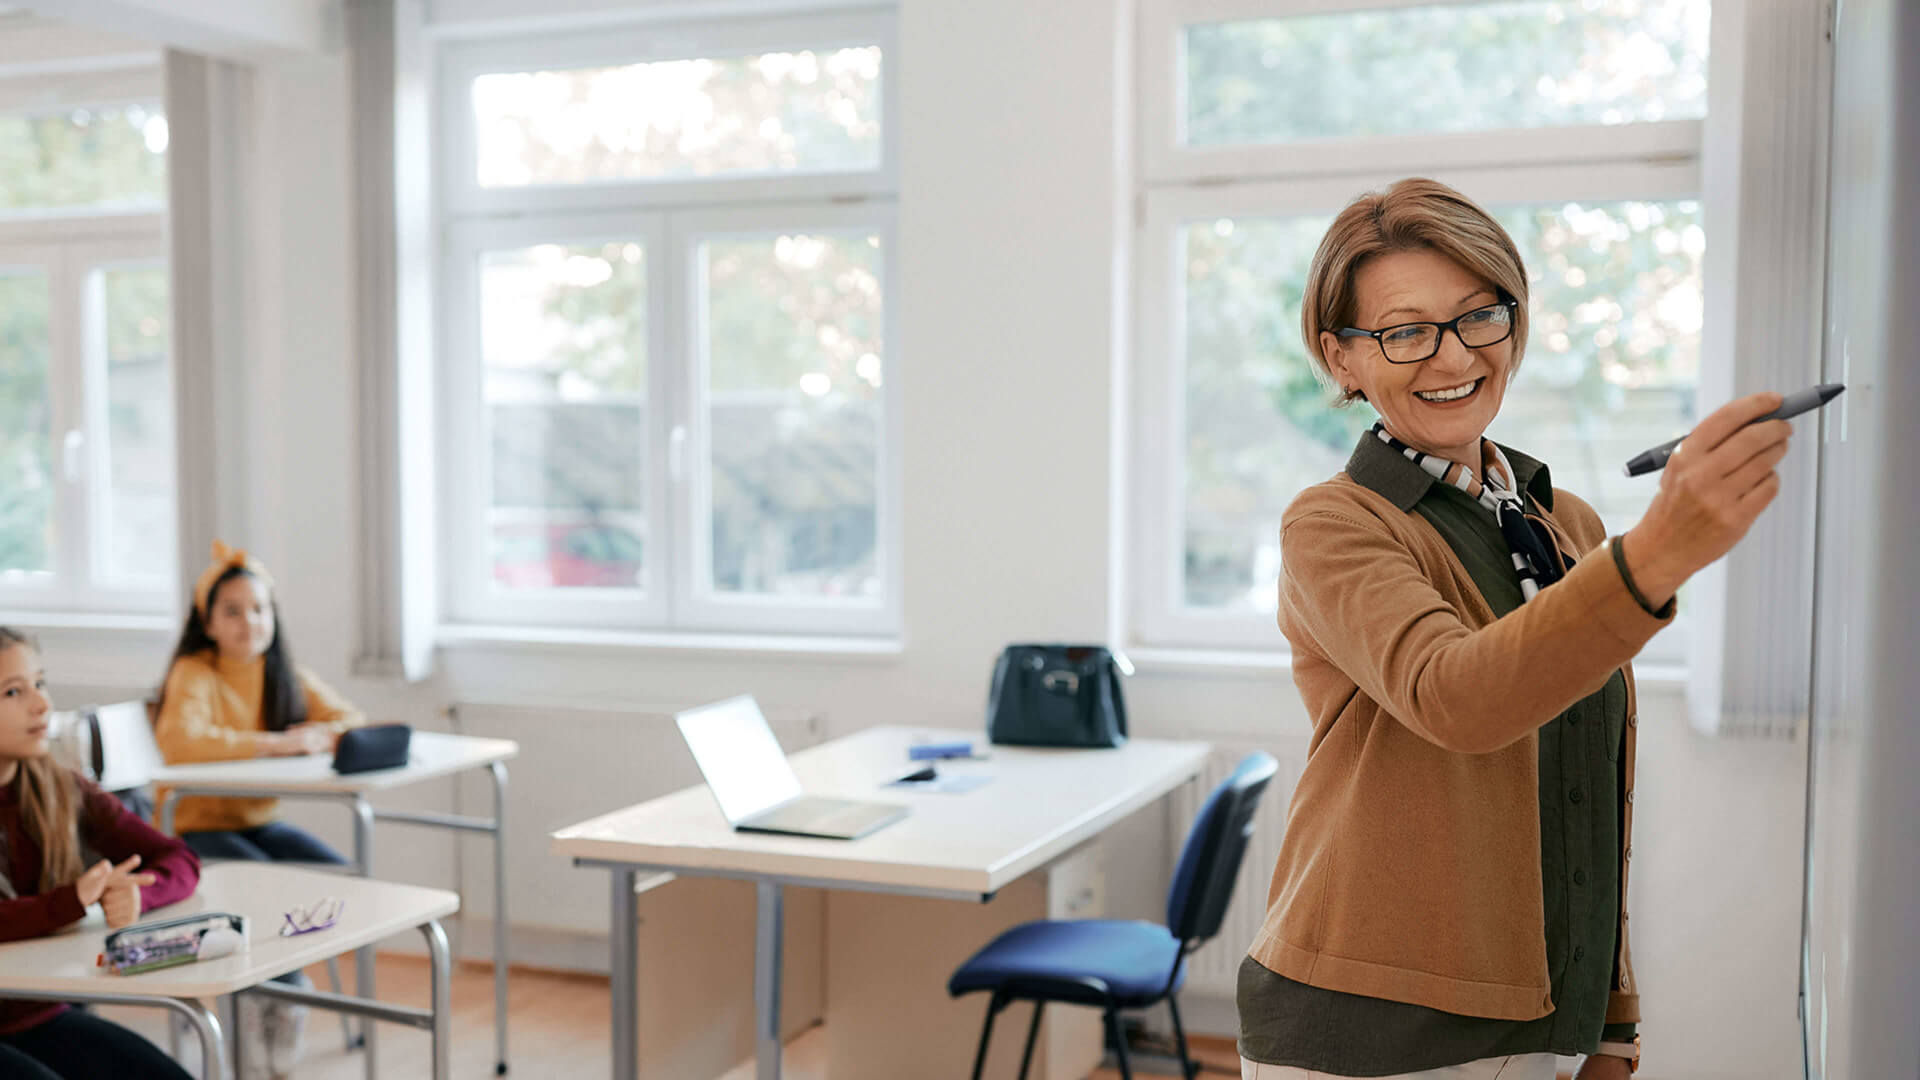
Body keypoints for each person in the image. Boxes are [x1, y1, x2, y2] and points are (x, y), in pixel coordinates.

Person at [1238, 178, 1792, 1080]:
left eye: (1478, 317)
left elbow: (1588, 777)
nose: (1452, 355)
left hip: (1541, 1027)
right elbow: (1458, 697)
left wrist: (1614, 1020)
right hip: (1370, 1039)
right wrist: (1654, 554)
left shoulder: (1559, 521)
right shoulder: (1335, 524)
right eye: (1405, 331)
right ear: (1343, 361)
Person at [153, 540, 368, 1079]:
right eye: (233, 610)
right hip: (193, 826)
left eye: (259, 608)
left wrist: (322, 732)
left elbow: (352, 720)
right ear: (207, 621)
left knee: (334, 873)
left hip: (257, 822)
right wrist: (276, 744)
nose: (249, 621)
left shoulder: (283, 672)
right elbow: (182, 742)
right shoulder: (194, 672)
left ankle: (283, 989)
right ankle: (275, 990)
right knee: (268, 883)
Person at [0, 627, 201, 1080]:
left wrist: (136, 897)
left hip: (36, 1015)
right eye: (13, 691)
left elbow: (178, 858)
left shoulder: (61, 787)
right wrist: (69, 902)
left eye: (40, 683)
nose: (41, 704)